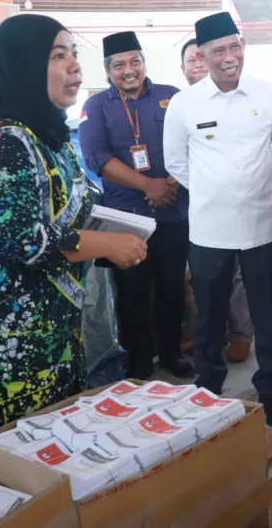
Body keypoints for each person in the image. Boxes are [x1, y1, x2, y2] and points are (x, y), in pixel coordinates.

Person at [0, 15, 148, 436]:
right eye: (57, 55)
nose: (74, 67)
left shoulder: (50, 138)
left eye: (74, 54)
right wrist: (105, 244)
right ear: (24, 65)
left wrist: (113, 240)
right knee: (2, 462)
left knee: (51, 453)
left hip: (48, 331)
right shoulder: (1, 139)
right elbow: (24, 241)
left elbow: (70, 211)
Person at [164, 12, 272, 428]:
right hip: (208, 229)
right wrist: (215, 191)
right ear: (201, 55)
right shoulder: (185, 104)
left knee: (267, 315)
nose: (228, 57)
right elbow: (176, 163)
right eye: (217, 50)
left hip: (260, 224)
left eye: (234, 47)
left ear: (243, 47)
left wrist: (252, 186)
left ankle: (271, 390)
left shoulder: (268, 94)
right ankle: (209, 386)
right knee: (209, 314)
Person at [78, 32, 193, 380]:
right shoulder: (96, 106)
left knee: (173, 287)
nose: (128, 70)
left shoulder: (171, 97)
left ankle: (172, 353)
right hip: (126, 217)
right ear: (108, 70)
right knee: (133, 292)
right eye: (119, 65)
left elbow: (191, 142)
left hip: (174, 210)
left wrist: (170, 183)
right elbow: (96, 157)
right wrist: (148, 185)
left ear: (143, 62)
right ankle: (141, 360)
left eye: (134, 61)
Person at [180, 38, 253, 364]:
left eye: (201, 57)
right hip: (188, 206)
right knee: (201, 277)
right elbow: (175, 158)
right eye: (190, 60)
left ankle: (240, 335)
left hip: (235, 204)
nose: (197, 64)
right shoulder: (179, 103)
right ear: (183, 68)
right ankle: (208, 336)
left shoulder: (240, 97)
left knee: (235, 273)